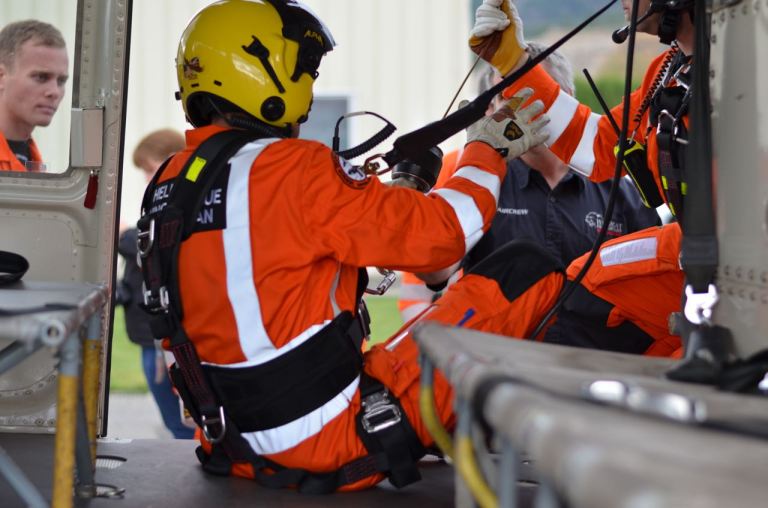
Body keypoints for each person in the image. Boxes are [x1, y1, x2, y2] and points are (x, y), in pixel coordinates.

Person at [139, 0, 550, 493]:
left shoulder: (171, 181)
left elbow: (277, 255)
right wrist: (489, 148)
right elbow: (448, 233)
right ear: (266, 73)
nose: (310, 87)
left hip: (232, 442)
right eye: (305, 72)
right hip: (328, 439)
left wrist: (397, 195)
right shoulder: (292, 169)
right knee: (528, 269)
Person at [400, 0, 695, 357]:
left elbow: (594, 145)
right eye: (504, 97)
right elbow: (597, 141)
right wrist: (513, 63)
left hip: (605, 361)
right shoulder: (668, 73)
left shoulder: (728, 70)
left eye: (524, 94)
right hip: (497, 369)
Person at [399, 45, 660, 322]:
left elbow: (656, 282)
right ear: (491, 110)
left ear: (568, 101)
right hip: (497, 349)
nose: (518, 106)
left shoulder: (621, 193)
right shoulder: (479, 185)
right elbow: (435, 272)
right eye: (505, 96)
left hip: (591, 349)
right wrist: (406, 205)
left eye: (532, 91)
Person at [116, 129, 195, 439]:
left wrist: (125, 236)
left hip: (164, 338)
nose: (148, 179)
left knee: (182, 424)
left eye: (151, 169)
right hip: (150, 335)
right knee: (175, 421)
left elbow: (156, 254)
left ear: (173, 161)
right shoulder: (161, 202)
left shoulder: (181, 203)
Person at [0, 20, 68, 172]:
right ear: (1, 76)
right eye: (41, 77)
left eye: (61, 81)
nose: (55, 92)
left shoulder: (33, 161)